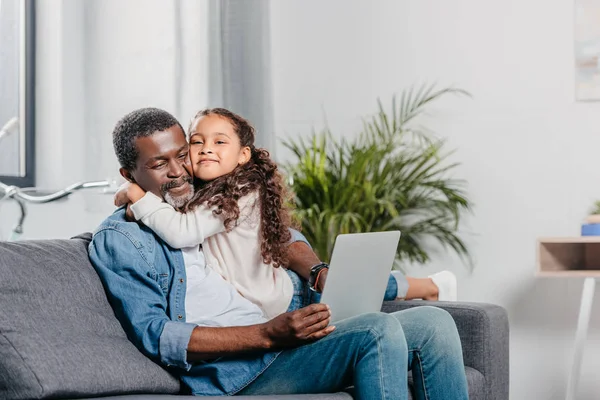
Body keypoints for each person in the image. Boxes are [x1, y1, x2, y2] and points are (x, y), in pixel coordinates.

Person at [89, 107, 468, 399]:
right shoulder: (122, 239)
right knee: (376, 330)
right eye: (159, 164)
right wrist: (268, 334)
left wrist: (317, 270)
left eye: (182, 155)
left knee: (434, 324)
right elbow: (159, 336)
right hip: (238, 369)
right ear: (128, 175)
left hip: (280, 336)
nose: (179, 171)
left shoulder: (195, 200)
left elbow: (279, 234)